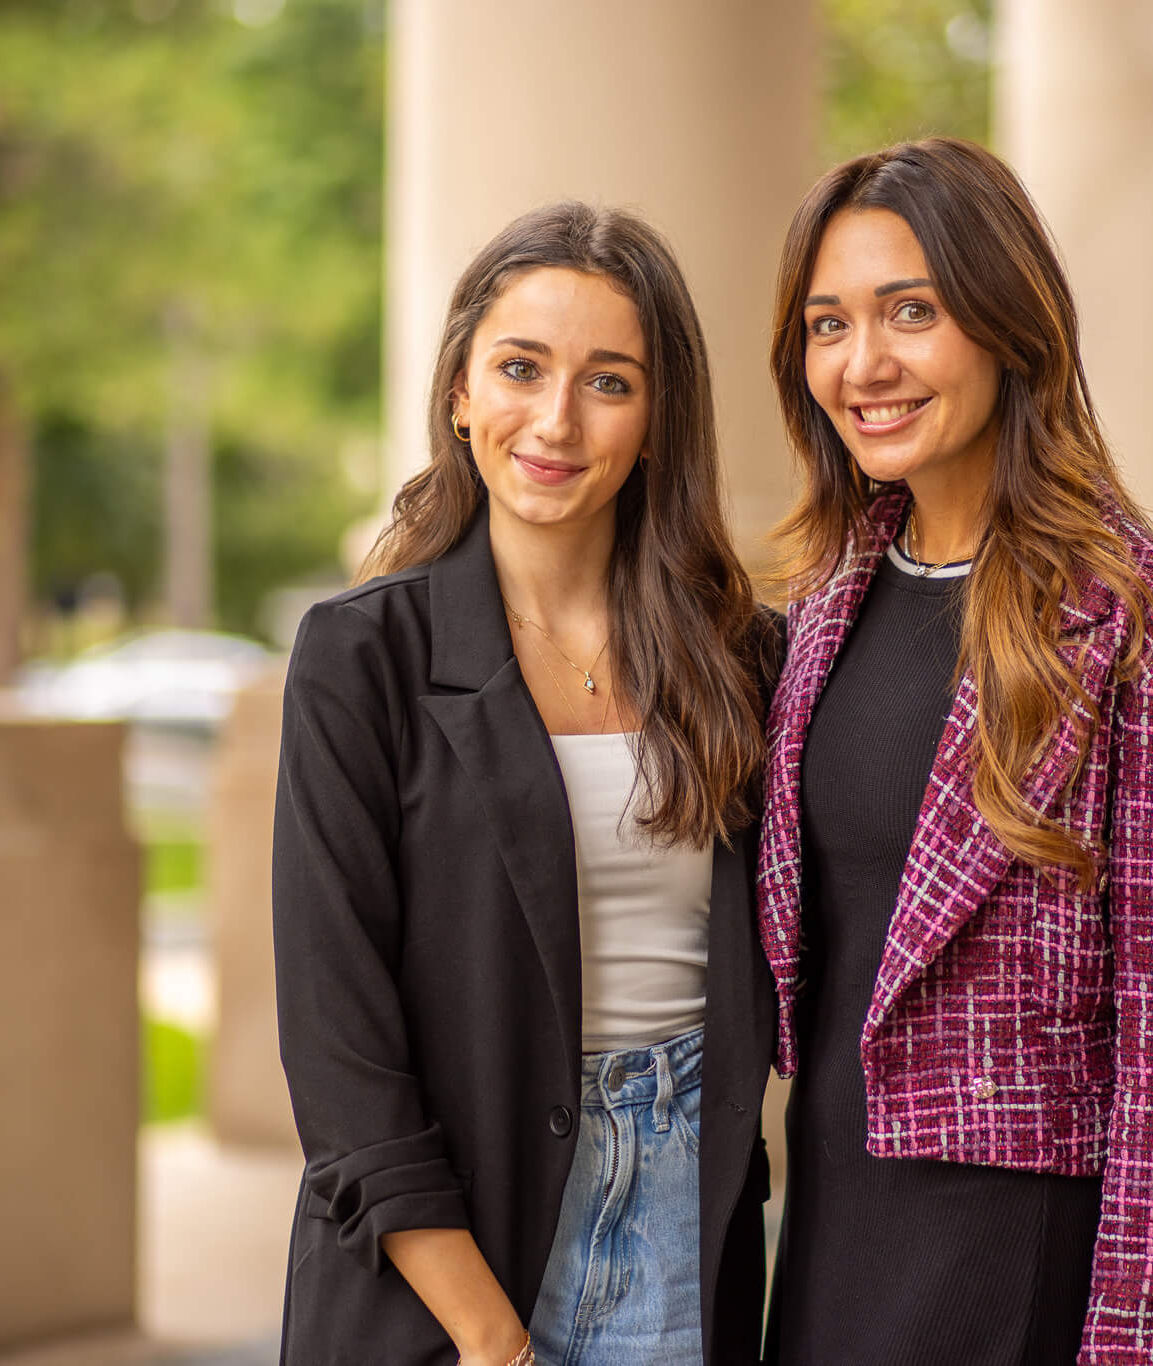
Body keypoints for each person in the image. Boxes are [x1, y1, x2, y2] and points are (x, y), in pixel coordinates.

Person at [755, 137, 1153, 1365]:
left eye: (909, 313)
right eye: (827, 324)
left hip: (1010, 1258)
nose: (861, 363)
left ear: (1005, 326)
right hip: (825, 1225)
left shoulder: (1152, 620)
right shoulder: (821, 604)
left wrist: (1147, 1345)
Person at [272, 202, 780, 1366]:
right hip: (448, 1246)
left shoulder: (743, 660)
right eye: (518, 368)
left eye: (608, 382)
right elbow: (336, 1036)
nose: (554, 420)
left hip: (683, 1218)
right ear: (459, 391)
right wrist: (490, 1337)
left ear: (657, 421)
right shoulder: (362, 657)